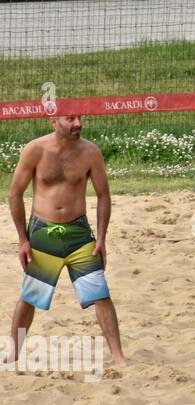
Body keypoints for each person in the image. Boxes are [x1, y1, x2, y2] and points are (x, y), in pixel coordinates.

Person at [4, 114, 125, 367]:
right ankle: (13, 355)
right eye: (70, 118)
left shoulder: (90, 152)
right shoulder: (35, 150)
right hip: (43, 233)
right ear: (53, 121)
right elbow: (15, 193)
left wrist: (101, 238)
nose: (78, 124)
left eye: (80, 118)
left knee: (100, 294)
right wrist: (22, 239)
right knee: (30, 298)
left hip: (79, 234)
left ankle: (118, 356)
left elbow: (103, 195)